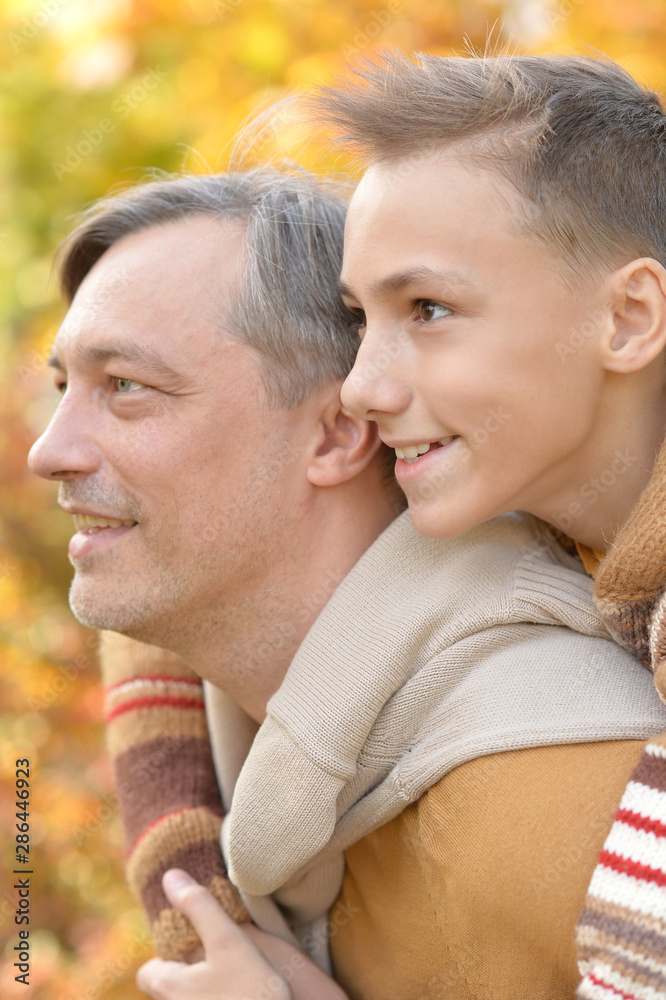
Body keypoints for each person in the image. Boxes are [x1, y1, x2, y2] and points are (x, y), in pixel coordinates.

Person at [28, 164, 666, 1000]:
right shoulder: (215, 724)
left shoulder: (564, 798)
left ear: (336, 433)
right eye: (62, 387)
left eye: (127, 389)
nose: (50, 452)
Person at [313, 50, 666, 999]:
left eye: (429, 310)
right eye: (360, 318)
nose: (361, 388)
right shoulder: (535, 511)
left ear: (629, 318)